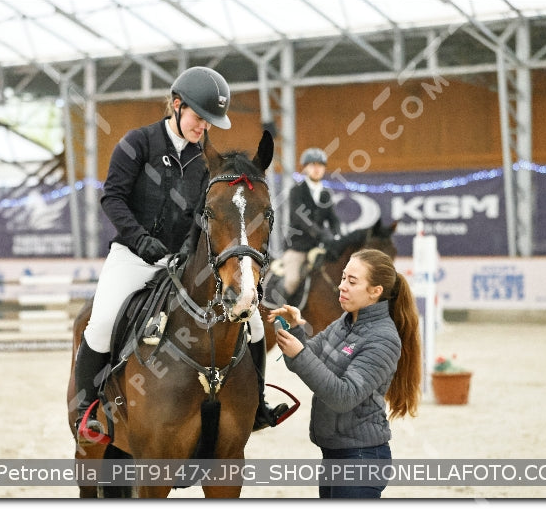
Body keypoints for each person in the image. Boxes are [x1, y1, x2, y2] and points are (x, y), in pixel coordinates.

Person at [74, 66, 287, 444]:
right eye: (198, 118)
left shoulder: (209, 160)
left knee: (251, 321)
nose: (202, 127)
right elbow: (113, 198)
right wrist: (140, 240)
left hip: (186, 261)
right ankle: (88, 412)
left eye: (209, 122)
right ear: (176, 105)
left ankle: (257, 406)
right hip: (134, 256)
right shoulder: (137, 143)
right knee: (102, 321)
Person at [267, 248, 421, 498]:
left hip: (361, 460)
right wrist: (295, 329)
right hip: (335, 454)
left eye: (352, 281)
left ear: (375, 291)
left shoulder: (383, 339)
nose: (341, 286)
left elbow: (343, 396)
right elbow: (305, 358)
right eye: (342, 278)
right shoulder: (344, 321)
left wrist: (299, 353)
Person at [280, 147, 341, 300]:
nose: (316, 169)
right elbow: (300, 219)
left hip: (318, 248)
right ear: (305, 167)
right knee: (292, 280)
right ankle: (281, 315)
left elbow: (333, 218)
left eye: (320, 165)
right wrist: (320, 234)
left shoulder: (326, 193)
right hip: (297, 247)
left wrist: (337, 235)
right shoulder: (296, 191)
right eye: (312, 165)